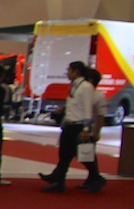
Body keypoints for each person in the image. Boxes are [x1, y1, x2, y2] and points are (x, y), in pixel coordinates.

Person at [40, 61, 106, 193]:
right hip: (69, 124)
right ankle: (58, 181)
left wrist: (86, 129)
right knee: (65, 154)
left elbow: (87, 109)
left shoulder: (86, 87)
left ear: (76, 72)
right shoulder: (75, 86)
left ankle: (96, 177)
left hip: (78, 126)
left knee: (83, 156)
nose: (67, 73)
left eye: (69, 70)